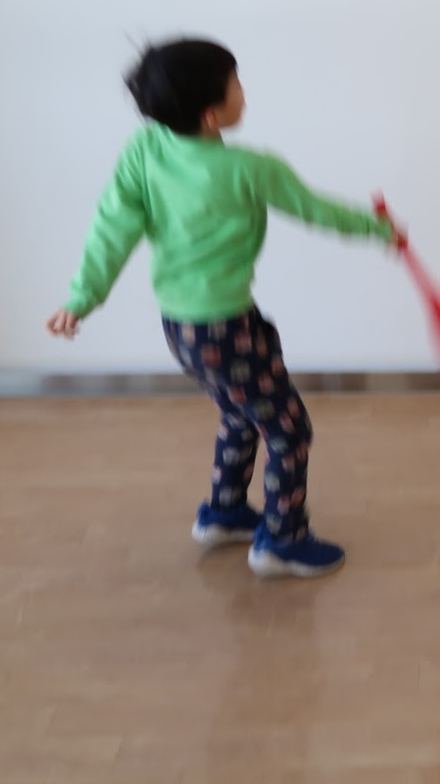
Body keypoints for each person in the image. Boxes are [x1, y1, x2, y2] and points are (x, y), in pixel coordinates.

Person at [46, 38, 398, 579]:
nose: (245, 94)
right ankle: (282, 540)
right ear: (212, 115)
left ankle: (226, 511)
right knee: (289, 431)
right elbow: (318, 211)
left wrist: (81, 296)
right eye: (237, 86)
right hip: (226, 327)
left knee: (240, 414)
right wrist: (379, 229)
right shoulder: (251, 168)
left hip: (182, 328)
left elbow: (110, 227)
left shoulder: (145, 148)